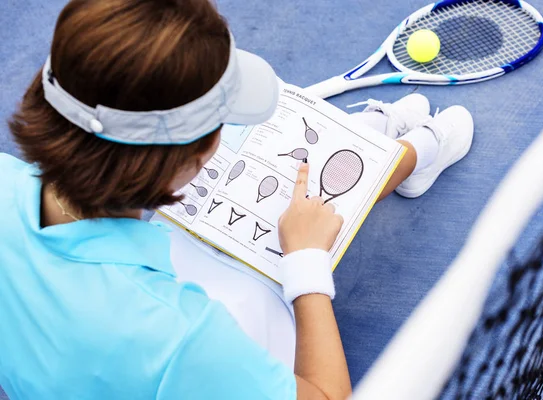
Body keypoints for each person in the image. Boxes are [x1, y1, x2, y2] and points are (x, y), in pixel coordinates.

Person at [0, 0, 473, 399]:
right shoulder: (183, 339)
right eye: (217, 124)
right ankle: (407, 154)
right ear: (183, 160)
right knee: (267, 266)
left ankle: (386, 147)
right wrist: (307, 264)